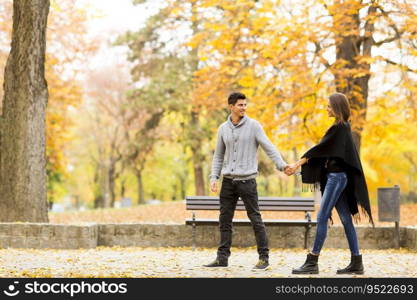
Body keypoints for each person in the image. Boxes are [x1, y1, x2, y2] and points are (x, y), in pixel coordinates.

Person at [287, 92, 374, 275]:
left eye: (328, 105)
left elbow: (319, 150)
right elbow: (323, 151)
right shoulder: (340, 128)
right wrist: (298, 164)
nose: (326, 108)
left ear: (336, 107)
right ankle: (356, 262)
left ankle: (312, 261)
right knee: (344, 219)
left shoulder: (340, 128)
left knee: (322, 217)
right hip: (338, 178)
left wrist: (296, 164)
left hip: (336, 178)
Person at [205, 92, 290, 270]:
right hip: (228, 182)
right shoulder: (223, 129)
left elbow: (269, 147)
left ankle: (264, 258)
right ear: (231, 106)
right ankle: (222, 258)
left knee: (255, 219)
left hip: (247, 182)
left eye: (245, 105)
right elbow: (218, 156)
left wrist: (282, 166)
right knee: (224, 220)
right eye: (240, 105)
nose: (244, 108)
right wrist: (214, 177)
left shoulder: (254, 126)